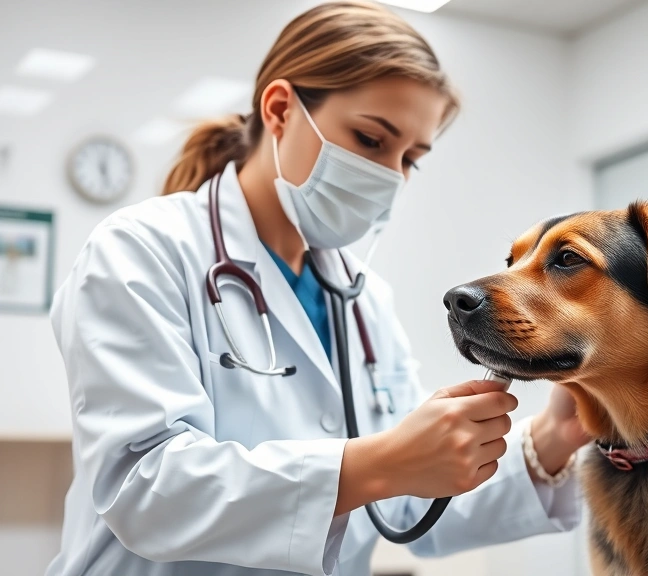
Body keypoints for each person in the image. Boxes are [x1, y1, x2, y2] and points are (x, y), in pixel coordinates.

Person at [46, 2, 590, 575]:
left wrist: (552, 437)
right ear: (281, 109)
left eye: (412, 158)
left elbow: (405, 506)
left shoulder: (360, 297)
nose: (391, 175)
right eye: (371, 139)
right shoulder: (142, 251)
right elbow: (145, 491)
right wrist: (375, 463)